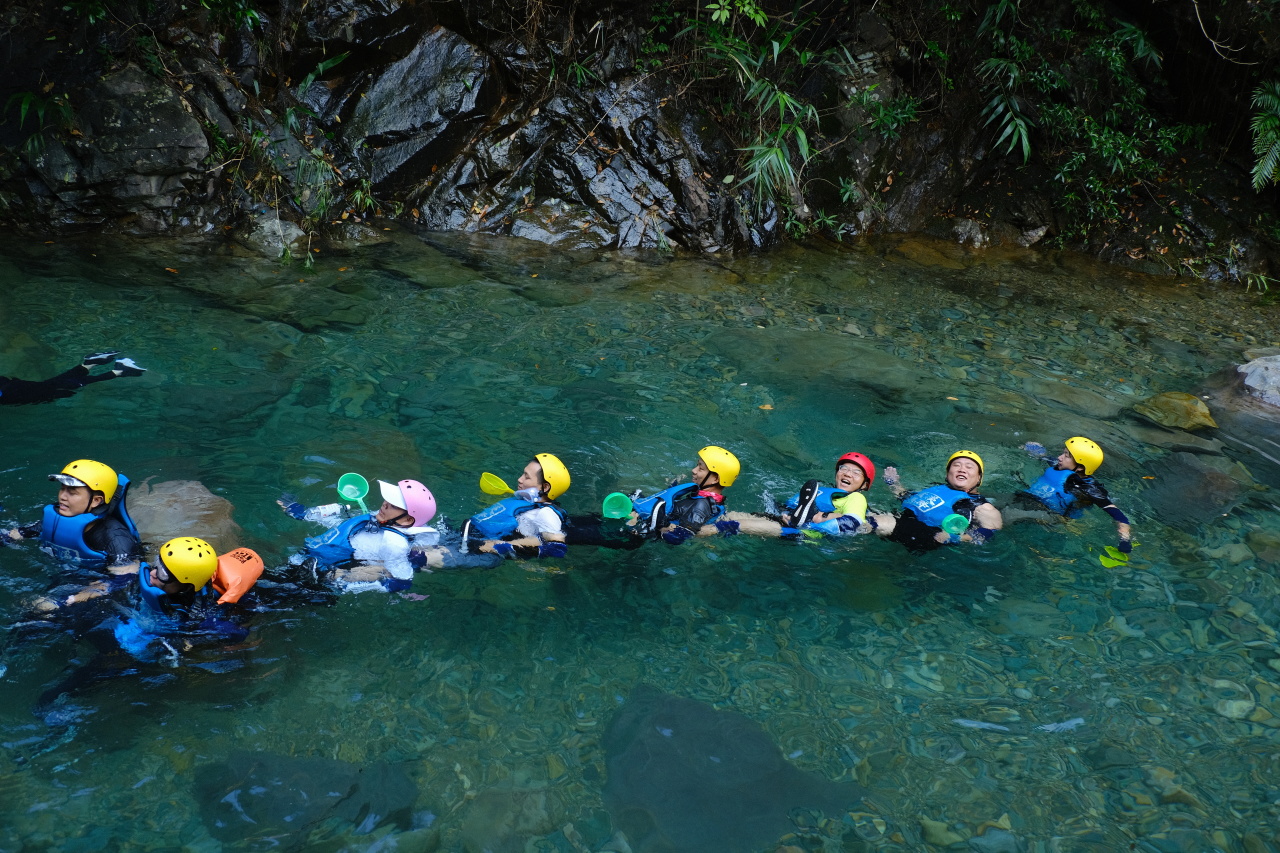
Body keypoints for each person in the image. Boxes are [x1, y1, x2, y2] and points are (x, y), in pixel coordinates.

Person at [282, 478, 444, 591]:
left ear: (407, 519)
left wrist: (338, 581)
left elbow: (401, 581)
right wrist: (306, 514)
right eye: (387, 500)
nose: (385, 504)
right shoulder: (382, 519)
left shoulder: (395, 544)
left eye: (393, 505)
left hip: (323, 574)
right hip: (311, 559)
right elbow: (346, 526)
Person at [6, 459, 142, 575]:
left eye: (72, 492)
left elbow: (122, 581)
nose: (62, 496)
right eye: (62, 488)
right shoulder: (54, 521)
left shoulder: (116, 538)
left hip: (93, 581)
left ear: (96, 500)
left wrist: (76, 596)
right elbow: (16, 534)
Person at [1013, 436, 1133, 553]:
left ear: (1080, 467)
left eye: (1066, 456)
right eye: (1063, 453)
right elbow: (1045, 458)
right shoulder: (1060, 467)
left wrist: (1125, 539)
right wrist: (1039, 451)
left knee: (1008, 515)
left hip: (1053, 516)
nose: (1060, 457)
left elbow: (1119, 516)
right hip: (1030, 501)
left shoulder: (1088, 488)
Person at [717, 451, 877, 539]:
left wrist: (809, 524)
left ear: (864, 484)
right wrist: (786, 514)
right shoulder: (820, 490)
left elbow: (851, 523)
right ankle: (711, 516)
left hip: (806, 534)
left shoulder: (856, 498)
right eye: (844, 468)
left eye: (856, 472)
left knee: (732, 526)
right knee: (730, 517)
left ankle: (704, 529)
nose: (848, 473)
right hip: (787, 521)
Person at [869, 450, 1003, 552]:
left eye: (969, 467)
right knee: (867, 515)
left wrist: (955, 538)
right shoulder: (938, 489)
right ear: (947, 474)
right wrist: (893, 484)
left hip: (929, 535)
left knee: (873, 522)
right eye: (956, 465)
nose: (962, 469)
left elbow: (990, 532)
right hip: (903, 518)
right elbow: (909, 499)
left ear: (979, 478)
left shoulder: (981, 506)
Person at [626, 445, 741, 544]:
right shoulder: (712, 501)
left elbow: (679, 537)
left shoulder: (701, 505)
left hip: (643, 533)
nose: (694, 470)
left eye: (700, 468)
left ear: (715, 479)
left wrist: (660, 524)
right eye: (697, 465)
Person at [465, 454, 571, 558]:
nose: (520, 479)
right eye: (523, 474)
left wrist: (500, 546)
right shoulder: (525, 501)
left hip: (484, 551)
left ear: (545, 487)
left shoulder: (546, 513)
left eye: (527, 477)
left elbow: (557, 548)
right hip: (474, 537)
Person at [0, 351, 145, 406]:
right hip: (8, 385)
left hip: (8, 392)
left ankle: (119, 370)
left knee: (63, 388)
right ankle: (91, 363)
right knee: (52, 385)